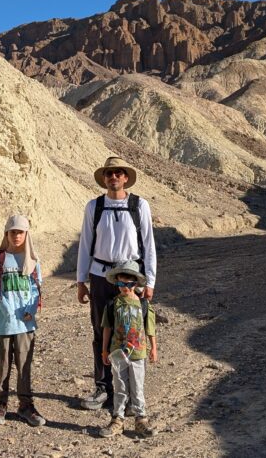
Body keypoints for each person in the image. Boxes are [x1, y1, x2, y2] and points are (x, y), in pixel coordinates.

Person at [76, 156, 157, 411]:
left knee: (133, 333)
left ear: (125, 177)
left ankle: (133, 394)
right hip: (100, 277)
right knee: (102, 332)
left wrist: (150, 280)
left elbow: (149, 244)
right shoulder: (94, 206)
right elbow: (85, 244)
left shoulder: (139, 205)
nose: (113, 178)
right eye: (109, 174)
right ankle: (103, 388)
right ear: (104, 178)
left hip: (130, 280)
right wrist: (81, 280)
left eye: (118, 173)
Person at [0, 214, 46, 427]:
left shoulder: (33, 260)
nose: (16, 236)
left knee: (24, 365)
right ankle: (1, 404)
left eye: (20, 232)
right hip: (4, 322)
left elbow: (37, 288)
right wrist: (8, 310)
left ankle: (25, 406)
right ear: (7, 234)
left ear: (26, 234)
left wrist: (31, 310)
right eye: (12, 232)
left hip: (26, 324)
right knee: (2, 365)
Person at [98, 260, 158, 438]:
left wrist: (153, 348)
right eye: (121, 284)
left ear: (135, 284)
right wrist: (104, 350)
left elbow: (150, 328)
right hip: (118, 353)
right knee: (120, 386)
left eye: (129, 284)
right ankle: (118, 420)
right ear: (116, 283)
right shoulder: (112, 305)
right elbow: (107, 328)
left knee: (137, 387)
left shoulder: (144, 305)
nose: (125, 287)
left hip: (138, 354)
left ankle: (141, 420)